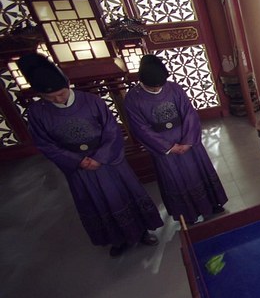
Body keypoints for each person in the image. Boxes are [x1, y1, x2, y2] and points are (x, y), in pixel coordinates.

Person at [20, 53, 163, 258]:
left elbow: (112, 130)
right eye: (50, 98)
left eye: (61, 93)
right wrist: (78, 160)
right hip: (79, 167)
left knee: (124, 194)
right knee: (96, 202)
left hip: (108, 161)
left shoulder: (92, 101)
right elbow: (45, 144)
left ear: (67, 84)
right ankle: (117, 239)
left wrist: (100, 156)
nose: (58, 99)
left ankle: (142, 232)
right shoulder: (37, 112)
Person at [124, 54, 228, 225]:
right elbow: (140, 128)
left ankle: (212, 204)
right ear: (142, 81)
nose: (157, 89)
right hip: (163, 147)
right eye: (152, 87)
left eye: (160, 85)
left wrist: (188, 140)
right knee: (176, 179)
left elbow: (189, 113)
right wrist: (168, 147)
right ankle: (188, 214)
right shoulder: (132, 98)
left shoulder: (174, 88)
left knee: (198, 172)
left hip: (187, 139)